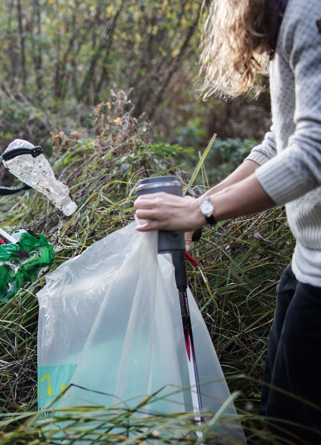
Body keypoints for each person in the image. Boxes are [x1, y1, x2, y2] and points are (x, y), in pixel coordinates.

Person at [134, 0, 321, 442]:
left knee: (294, 430)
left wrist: (202, 212)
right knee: (278, 413)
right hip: (307, 260)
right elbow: (281, 141)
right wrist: (198, 207)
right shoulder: (291, 13)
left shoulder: (309, 14)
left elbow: (313, 155)